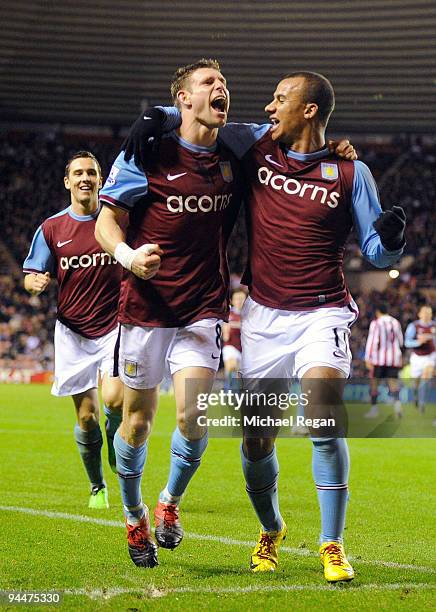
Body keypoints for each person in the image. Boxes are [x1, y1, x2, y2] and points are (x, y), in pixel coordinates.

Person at [127, 69, 406, 581]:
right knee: (257, 440)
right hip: (261, 316)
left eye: (280, 100)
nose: (269, 108)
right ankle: (270, 529)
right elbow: (199, 121)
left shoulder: (350, 173)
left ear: (310, 110)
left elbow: (375, 249)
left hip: (322, 312)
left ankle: (332, 544)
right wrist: (158, 115)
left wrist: (390, 239)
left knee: (324, 416)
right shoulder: (257, 146)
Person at [23, 151, 124, 510]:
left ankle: (116, 444)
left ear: (100, 180)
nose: (85, 178)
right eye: (78, 173)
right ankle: (97, 485)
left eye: (92, 173)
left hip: (114, 326)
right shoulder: (52, 228)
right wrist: (35, 283)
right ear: (67, 182)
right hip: (72, 332)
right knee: (86, 416)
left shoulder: (117, 222)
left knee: (114, 400)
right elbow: (32, 275)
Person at [364, 303, 404, 418]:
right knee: (393, 383)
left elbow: (372, 341)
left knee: (374, 383)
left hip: (379, 359)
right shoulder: (395, 322)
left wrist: (368, 358)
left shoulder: (376, 323)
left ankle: (374, 410)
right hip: (393, 358)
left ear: (377, 311)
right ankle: (397, 407)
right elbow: (401, 341)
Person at [404, 305, 435, 413]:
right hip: (417, 357)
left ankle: (422, 403)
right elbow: (407, 342)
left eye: (429, 313)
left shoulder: (434, 326)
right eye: (425, 313)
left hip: (430, 356)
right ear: (420, 314)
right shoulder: (414, 326)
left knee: (426, 378)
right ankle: (416, 396)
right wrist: (418, 342)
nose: (427, 315)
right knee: (416, 383)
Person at [222, 288, 246, 390]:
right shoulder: (229, 314)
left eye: (242, 298)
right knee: (231, 366)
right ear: (232, 301)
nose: (239, 301)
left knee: (238, 376)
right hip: (230, 346)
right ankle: (228, 391)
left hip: (244, 350)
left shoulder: (249, 315)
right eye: (237, 298)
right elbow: (225, 328)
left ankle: (232, 392)